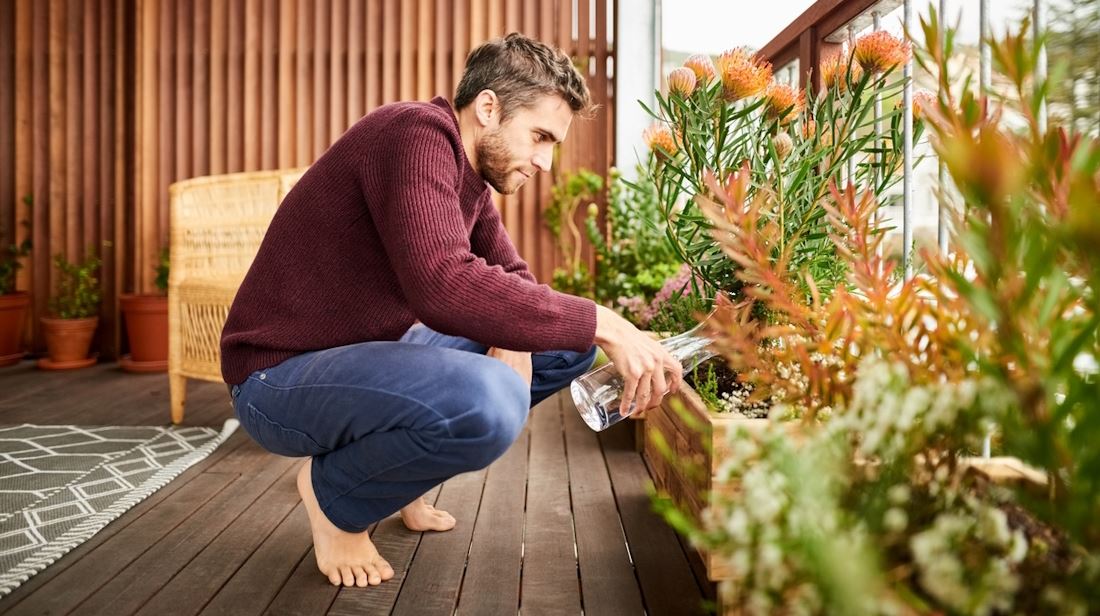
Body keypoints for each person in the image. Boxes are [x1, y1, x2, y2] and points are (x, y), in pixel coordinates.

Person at [220, 32, 681, 589]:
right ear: (489, 107)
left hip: (364, 359)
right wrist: (607, 321)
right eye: (539, 136)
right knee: (490, 400)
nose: (545, 160)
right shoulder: (413, 133)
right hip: (278, 378)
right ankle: (335, 497)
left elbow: (512, 280)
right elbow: (440, 282)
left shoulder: (470, 181)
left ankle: (395, 477)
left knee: (563, 345)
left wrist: (519, 332)